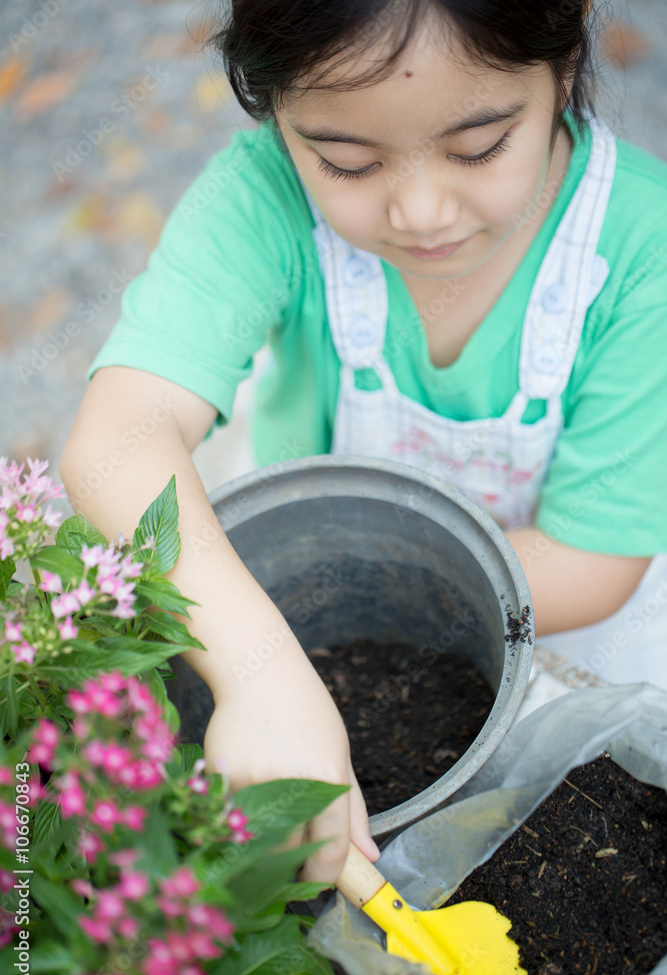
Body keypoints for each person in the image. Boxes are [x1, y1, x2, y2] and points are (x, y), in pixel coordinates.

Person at [61, 0, 667, 885]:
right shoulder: (262, 198)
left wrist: (357, 598)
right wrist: (262, 669)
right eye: (345, 161)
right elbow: (117, 441)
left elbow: (592, 563)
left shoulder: (640, 253)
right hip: (310, 563)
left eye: (479, 148)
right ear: (275, 114)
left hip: (545, 592)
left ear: (563, 68)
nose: (420, 212)